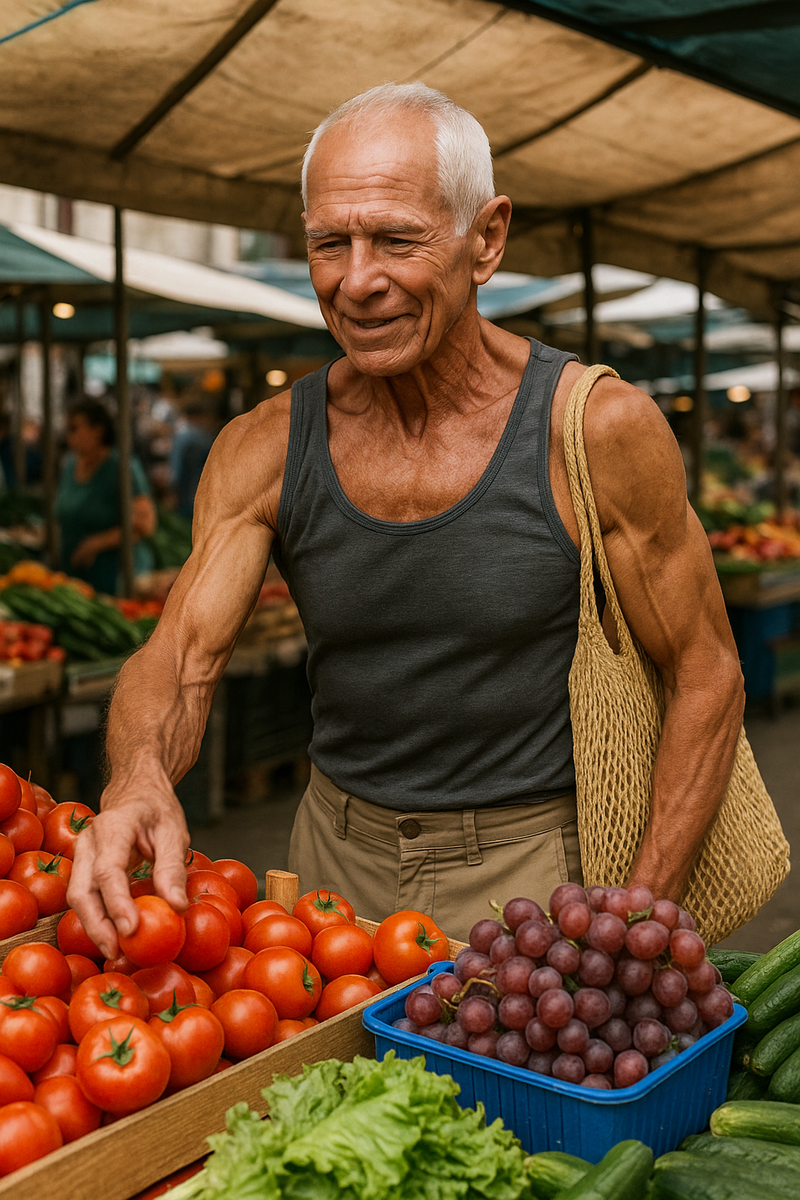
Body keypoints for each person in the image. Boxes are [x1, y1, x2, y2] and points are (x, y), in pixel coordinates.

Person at [68, 83, 744, 953]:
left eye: (396, 239)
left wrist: (640, 915)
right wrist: (136, 778)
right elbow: (180, 658)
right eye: (328, 244)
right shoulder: (265, 444)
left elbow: (706, 671)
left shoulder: (595, 429)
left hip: (532, 873)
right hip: (325, 869)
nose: (358, 281)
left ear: (486, 238)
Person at [56, 400, 156, 595]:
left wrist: (94, 544)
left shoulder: (123, 468)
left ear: (98, 431)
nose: (68, 434)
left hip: (116, 577)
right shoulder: (69, 465)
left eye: (74, 428)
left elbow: (145, 525)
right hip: (75, 577)